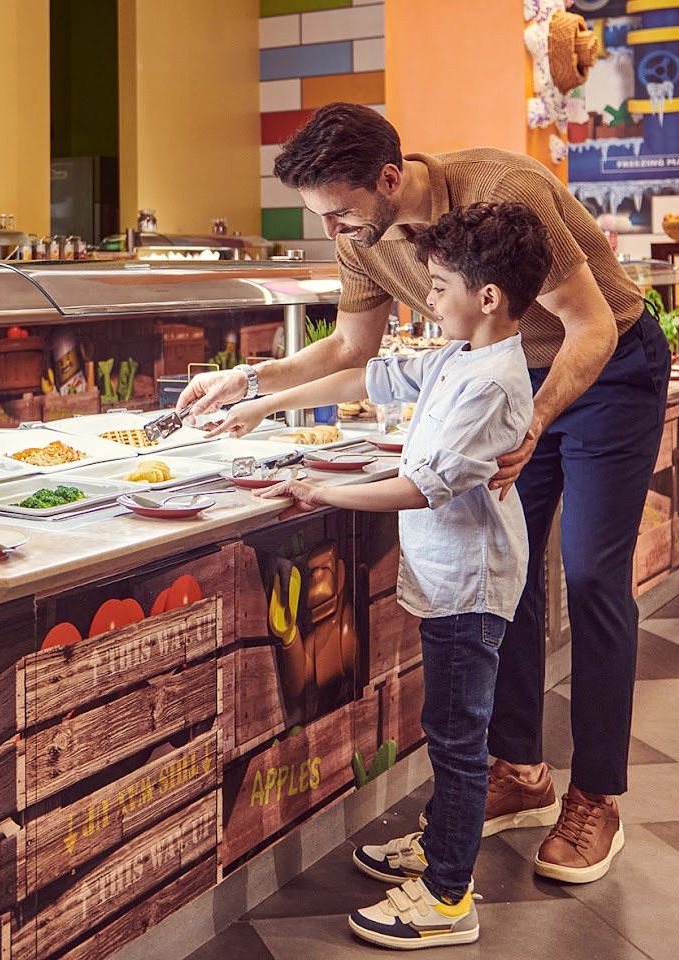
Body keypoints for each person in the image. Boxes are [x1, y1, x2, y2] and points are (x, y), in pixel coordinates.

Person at [181, 103, 669, 884]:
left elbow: (590, 328)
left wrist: (533, 421)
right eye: (322, 217)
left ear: (387, 178)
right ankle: (519, 768)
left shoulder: (505, 191)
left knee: (590, 574)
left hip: (605, 368)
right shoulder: (363, 238)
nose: (334, 229)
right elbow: (353, 348)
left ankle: (596, 796)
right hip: (500, 378)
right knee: (503, 570)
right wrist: (246, 380)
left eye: (340, 210)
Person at [254, 202, 544, 948]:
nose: (430, 298)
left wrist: (322, 491)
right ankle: (442, 844)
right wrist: (263, 403)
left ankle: (449, 894)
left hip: (470, 587)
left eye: (439, 285)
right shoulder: (461, 356)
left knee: (455, 736)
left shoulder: (492, 383)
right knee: (447, 728)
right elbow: (369, 380)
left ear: (487, 298)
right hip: (448, 577)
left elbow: (425, 486)